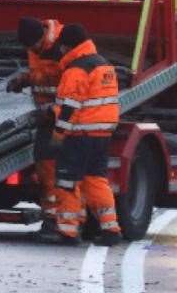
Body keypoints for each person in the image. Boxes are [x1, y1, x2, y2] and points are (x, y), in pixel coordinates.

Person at [40, 24, 122, 246]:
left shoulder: (76, 70)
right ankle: (110, 229)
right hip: (101, 135)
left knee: (67, 182)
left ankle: (68, 232)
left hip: (79, 136)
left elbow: (69, 108)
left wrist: (58, 135)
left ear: (68, 46)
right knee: (96, 181)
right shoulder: (104, 65)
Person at [7, 17, 64, 234]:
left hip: (64, 117)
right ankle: (53, 217)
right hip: (47, 117)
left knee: (52, 166)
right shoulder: (37, 47)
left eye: (34, 45)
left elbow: (73, 84)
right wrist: (24, 79)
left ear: (42, 36)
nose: (33, 50)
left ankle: (56, 219)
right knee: (44, 164)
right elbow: (41, 73)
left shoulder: (62, 46)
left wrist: (53, 110)